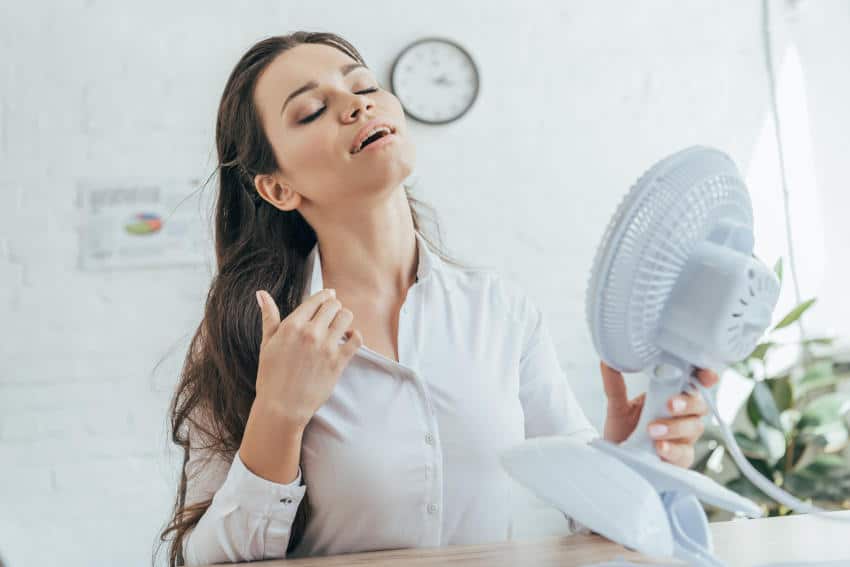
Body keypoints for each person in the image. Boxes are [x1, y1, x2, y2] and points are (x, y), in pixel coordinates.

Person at [158, 31, 718, 567]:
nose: (355, 107)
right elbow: (209, 559)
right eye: (310, 111)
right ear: (278, 187)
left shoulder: (498, 311)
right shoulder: (247, 335)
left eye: (362, 86)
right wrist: (278, 413)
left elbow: (596, 515)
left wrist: (627, 457)